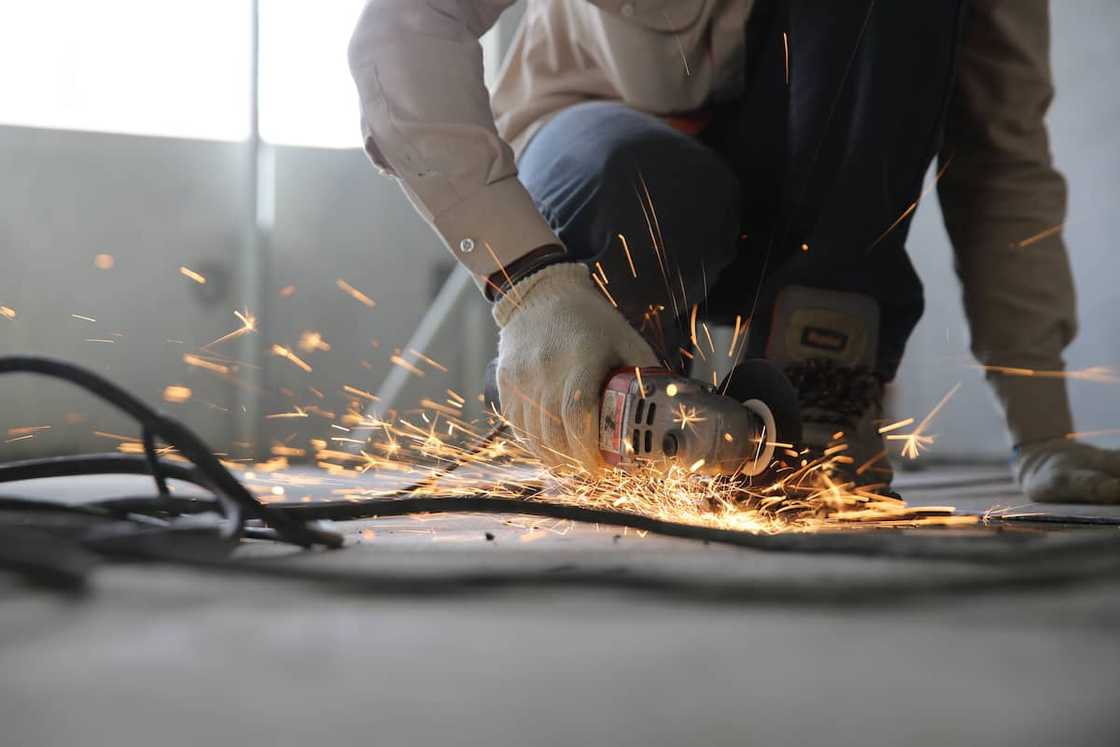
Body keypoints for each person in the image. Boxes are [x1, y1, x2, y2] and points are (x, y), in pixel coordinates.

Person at [348, 0, 1120, 502]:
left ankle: (818, 383)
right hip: (610, 165)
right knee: (636, 178)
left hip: (811, 222)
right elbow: (405, 28)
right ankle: (605, 383)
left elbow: (1002, 161)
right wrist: (530, 287)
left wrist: (1044, 429)